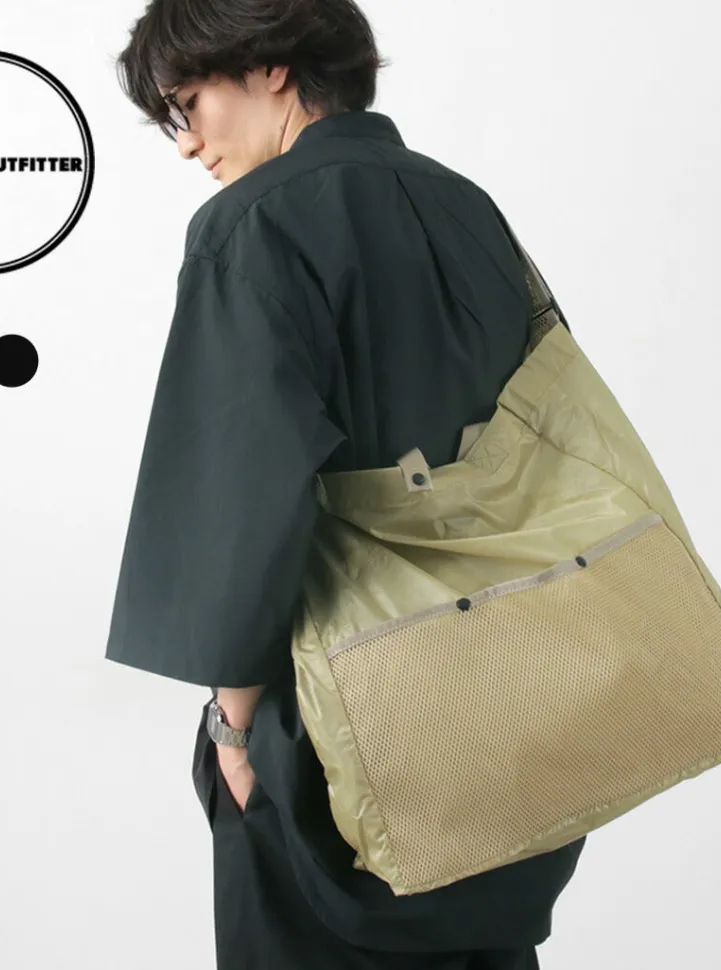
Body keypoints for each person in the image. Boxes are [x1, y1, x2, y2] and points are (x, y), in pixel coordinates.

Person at [106, 2, 586, 967]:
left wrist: (233, 726)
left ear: (270, 67)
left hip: (332, 719)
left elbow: (240, 498)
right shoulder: (467, 206)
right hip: (505, 692)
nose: (186, 142)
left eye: (187, 103)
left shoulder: (250, 226)